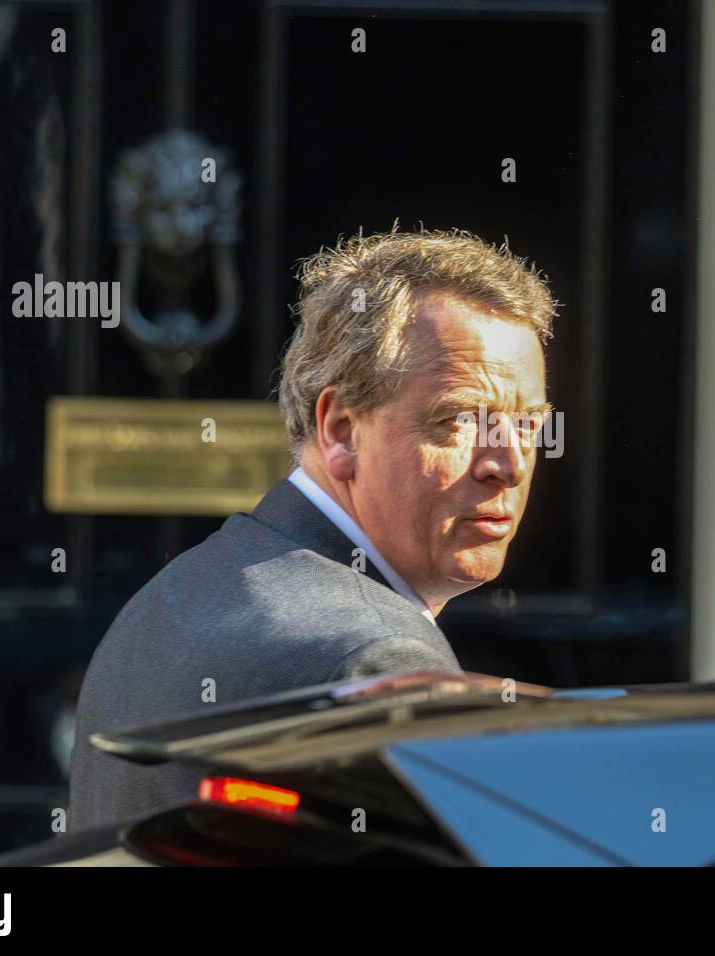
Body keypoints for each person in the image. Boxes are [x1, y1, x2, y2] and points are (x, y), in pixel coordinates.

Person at [69, 227, 557, 830]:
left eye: (528, 425)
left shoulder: (167, 599)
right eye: (457, 419)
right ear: (342, 432)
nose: (505, 463)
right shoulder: (375, 657)